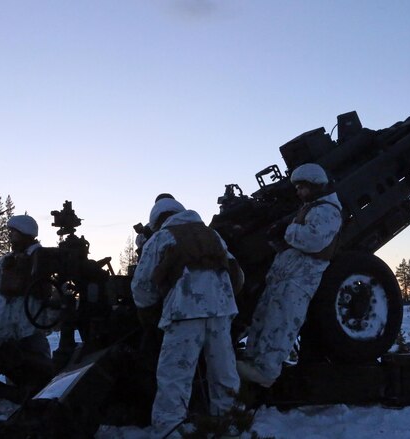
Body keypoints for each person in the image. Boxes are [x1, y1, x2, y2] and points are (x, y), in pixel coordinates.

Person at [131, 198, 243, 439]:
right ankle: (229, 422)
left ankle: (169, 429)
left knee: (175, 375)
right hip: (221, 311)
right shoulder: (212, 235)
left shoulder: (162, 238)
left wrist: (149, 312)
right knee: (223, 371)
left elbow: (141, 285)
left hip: (184, 312)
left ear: (157, 220)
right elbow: (238, 276)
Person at [237, 163, 342, 388]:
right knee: (264, 318)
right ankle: (253, 361)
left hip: (299, 280)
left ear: (315, 185)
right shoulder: (312, 208)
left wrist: (287, 231)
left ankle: (266, 371)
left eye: (302, 187)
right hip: (286, 277)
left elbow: (312, 240)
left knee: (281, 324)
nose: (298, 192)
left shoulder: (327, 210)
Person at [0, 214, 53, 399]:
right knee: (10, 362)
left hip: (30, 324)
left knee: (38, 360)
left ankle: (41, 394)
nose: (10, 235)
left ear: (25, 233)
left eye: (14, 232)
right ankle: (16, 391)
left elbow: (52, 292)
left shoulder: (42, 259)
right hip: (6, 324)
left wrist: (50, 319)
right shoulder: (6, 261)